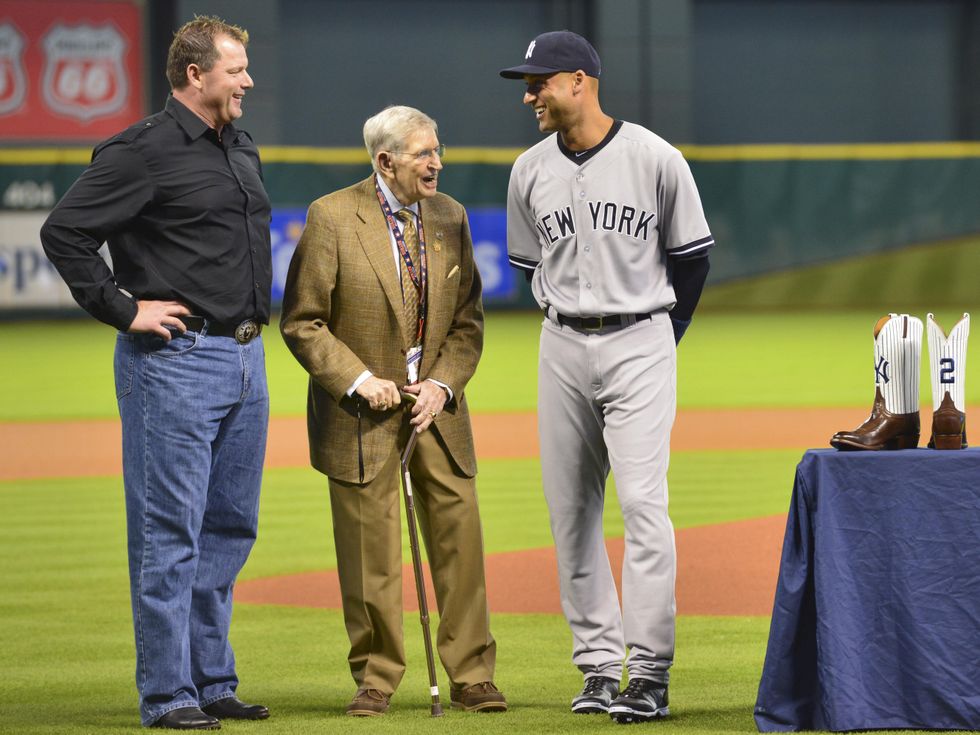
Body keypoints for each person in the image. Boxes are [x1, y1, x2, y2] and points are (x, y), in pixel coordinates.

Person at [40, 16, 272, 730]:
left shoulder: (239, 144)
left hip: (243, 358)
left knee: (229, 528)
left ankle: (210, 678)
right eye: (236, 70)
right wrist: (123, 308)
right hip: (174, 361)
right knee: (168, 532)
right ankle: (168, 692)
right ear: (195, 74)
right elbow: (64, 231)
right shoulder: (141, 151)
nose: (248, 82)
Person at [500, 30, 714, 724]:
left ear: (579, 81)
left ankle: (647, 671)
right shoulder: (528, 170)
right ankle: (597, 665)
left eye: (539, 82)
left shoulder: (655, 157)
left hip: (641, 337)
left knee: (644, 508)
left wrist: (658, 342)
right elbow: (530, 266)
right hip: (560, 342)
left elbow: (693, 261)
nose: (529, 94)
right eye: (527, 83)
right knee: (570, 512)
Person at [279, 105, 506, 717]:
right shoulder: (331, 217)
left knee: (460, 539)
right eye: (423, 153)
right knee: (368, 550)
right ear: (386, 161)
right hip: (362, 412)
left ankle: (472, 674)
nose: (437, 163)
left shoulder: (450, 216)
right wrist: (357, 379)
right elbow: (302, 322)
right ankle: (376, 677)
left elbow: (467, 323)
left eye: (438, 151)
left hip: (436, 407)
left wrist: (441, 385)